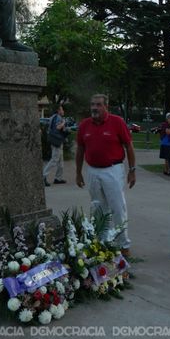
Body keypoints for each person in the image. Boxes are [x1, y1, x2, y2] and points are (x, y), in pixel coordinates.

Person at [76, 94, 136, 257]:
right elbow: (80, 149)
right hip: (92, 171)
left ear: (106, 107)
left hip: (113, 170)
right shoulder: (84, 125)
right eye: (92, 105)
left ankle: (123, 244)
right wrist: (78, 173)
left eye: (98, 105)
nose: (94, 108)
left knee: (117, 207)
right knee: (98, 208)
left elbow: (129, 146)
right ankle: (102, 242)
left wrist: (132, 170)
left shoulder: (117, 122)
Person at [43, 105, 68, 187]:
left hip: (54, 141)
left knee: (60, 161)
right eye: (62, 109)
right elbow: (58, 127)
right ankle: (43, 175)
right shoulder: (59, 118)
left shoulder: (52, 117)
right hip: (57, 141)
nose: (63, 111)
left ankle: (58, 178)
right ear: (58, 111)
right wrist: (64, 122)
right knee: (54, 160)